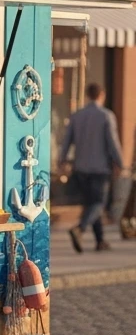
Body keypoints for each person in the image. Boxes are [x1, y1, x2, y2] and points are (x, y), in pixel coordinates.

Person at [59, 82, 124, 253]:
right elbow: (113, 143)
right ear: (101, 95)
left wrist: (61, 160)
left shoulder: (76, 116)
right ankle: (79, 228)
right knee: (98, 204)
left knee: (91, 204)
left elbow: (66, 142)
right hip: (100, 169)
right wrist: (120, 163)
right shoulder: (106, 115)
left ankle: (100, 241)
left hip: (80, 169)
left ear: (88, 95)